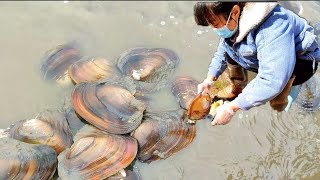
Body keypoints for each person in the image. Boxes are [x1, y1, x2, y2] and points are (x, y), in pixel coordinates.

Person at [194, 2, 320, 126]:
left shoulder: (272, 29)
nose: (215, 29)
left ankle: (304, 87)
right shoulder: (234, 20)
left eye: (215, 24)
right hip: (261, 53)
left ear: (235, 12)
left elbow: (272, 80)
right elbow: (224, 47)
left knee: (279, 96)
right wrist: (210, 78)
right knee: (231, 52)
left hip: (300, 61)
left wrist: (232, 108)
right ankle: (238, 88)